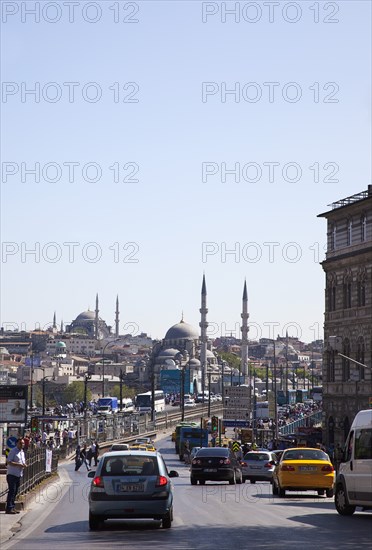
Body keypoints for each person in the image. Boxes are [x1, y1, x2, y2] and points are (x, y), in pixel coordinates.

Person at [5, 438, 27, 514]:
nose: (22, 445)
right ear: (17, 443)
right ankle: (9, 508)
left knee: (15, 492)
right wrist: (18, 464)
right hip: (12, 474)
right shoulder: (13, 451)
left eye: (23, 443)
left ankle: (12, 507)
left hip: (18, 474)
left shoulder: (22, 452)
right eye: (21, 443)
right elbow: (9, 462)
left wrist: (24, 465)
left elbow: (22, 461)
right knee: (12, 491)